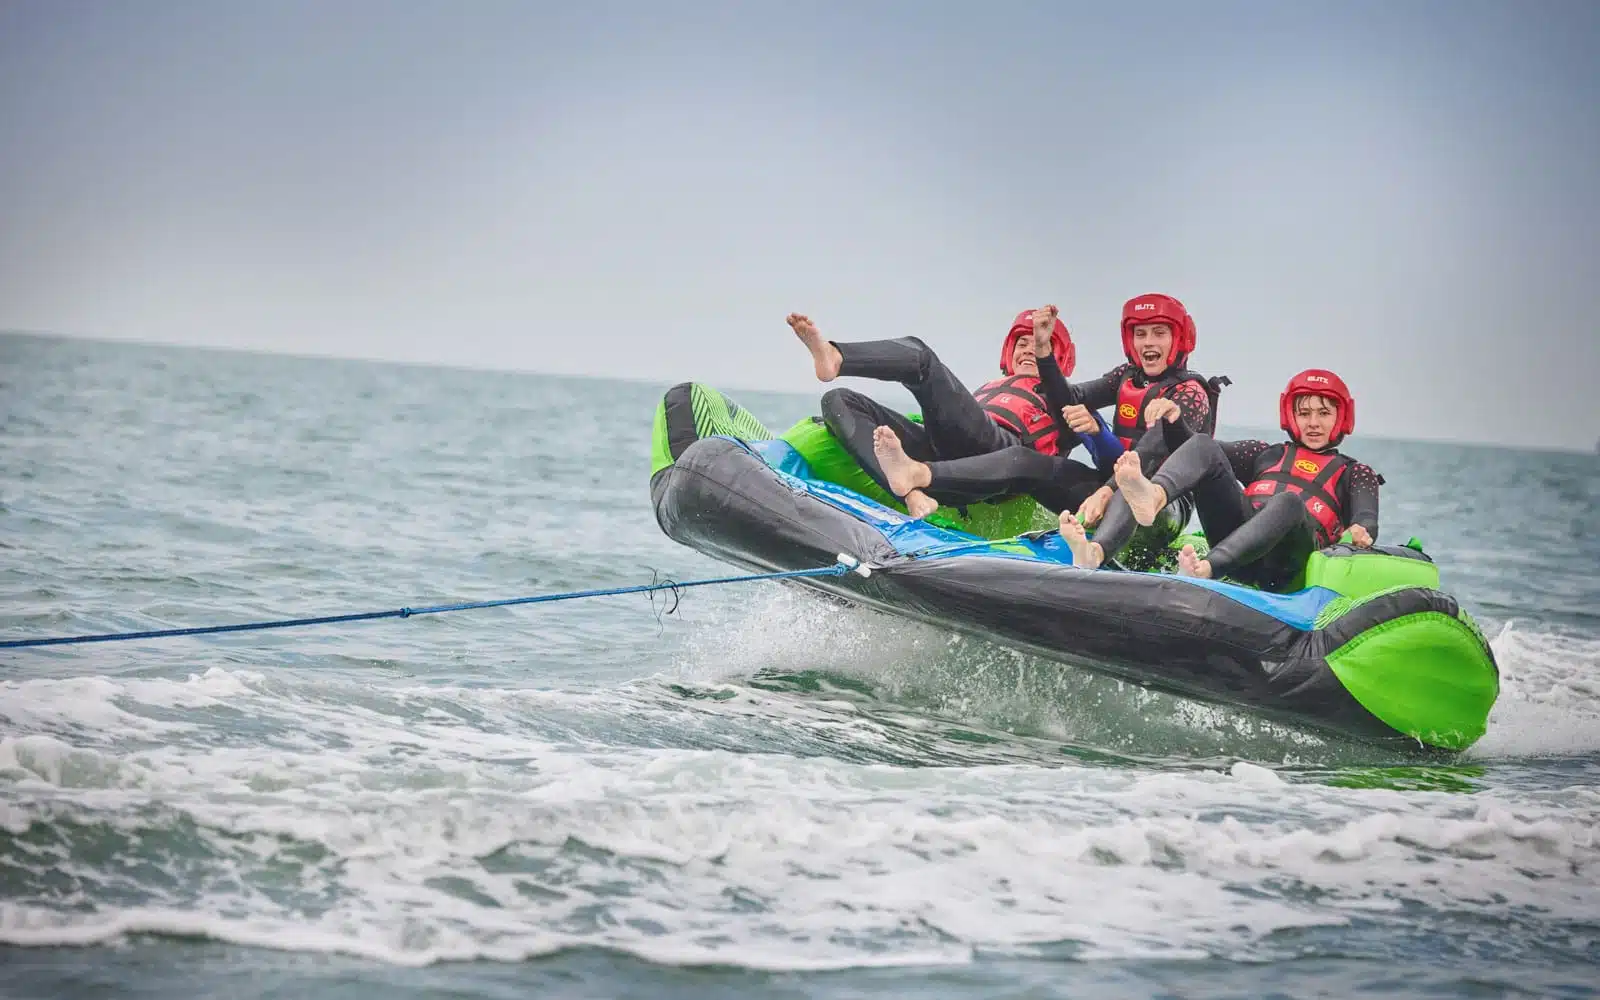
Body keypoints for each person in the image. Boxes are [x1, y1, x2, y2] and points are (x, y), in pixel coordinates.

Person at [1058, 369, 1383, 591]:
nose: (1313, 423)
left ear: (1341, 417)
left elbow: (1365, 520)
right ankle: (1100, 548)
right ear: (1291, 416)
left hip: (1285, 568)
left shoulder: (1355, 473)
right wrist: (1174, 421)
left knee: (1288, 502)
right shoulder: (1265, 454)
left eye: (1323, 413)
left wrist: (1360, 531)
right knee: (1204, 444)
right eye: (1305, 413)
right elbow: (1194, 451)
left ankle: (1205, 570)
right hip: (1239, 550)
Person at [787, 307, 1110, 518]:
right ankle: (911, 495)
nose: (1029, 349)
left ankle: (837, 357)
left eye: (1038, 344)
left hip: (998, 456)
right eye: (1021, 344)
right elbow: (954, 417)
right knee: (838, 399)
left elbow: (1109, 410)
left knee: (922, 359)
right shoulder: (992, 387)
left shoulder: (1069, 399)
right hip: (948, 453)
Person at [1061, 293, 1230, 526]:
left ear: (1179, 339)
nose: (1148, 341)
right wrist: (1043, 354)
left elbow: (1149, 452)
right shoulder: (1126, 376)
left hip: (1164, 507)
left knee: (1131, 492)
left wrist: (1104, 493)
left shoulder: (1192, 394)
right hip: (1111, 484)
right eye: (1140, 334)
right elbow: (1070, 397)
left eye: (1159, 333)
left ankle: (1094, 552)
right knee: (1033, 465)